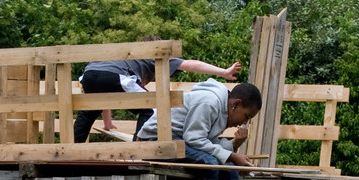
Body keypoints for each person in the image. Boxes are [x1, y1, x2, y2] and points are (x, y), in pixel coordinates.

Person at [73, 47, 242, 144]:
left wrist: (107, 122)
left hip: (89, 74)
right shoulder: (153, 55)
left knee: (88, 112)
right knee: (153, 109)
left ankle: (72, 150)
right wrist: (223, 72)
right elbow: (191, 64)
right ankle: (138, 150)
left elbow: (105, 92)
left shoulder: (124, 56)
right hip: (114, 76)